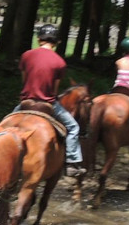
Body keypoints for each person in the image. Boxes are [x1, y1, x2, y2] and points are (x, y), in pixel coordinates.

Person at [18, 24, 84, 177]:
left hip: (26, 102)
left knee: (4, 124)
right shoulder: (60, 62)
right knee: (73, 127)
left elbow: (24, 80)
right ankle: (71, 162)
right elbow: (54, 91)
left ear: (38, 38)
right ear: (56, 42)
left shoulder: (26, 55)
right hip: (47, 103)